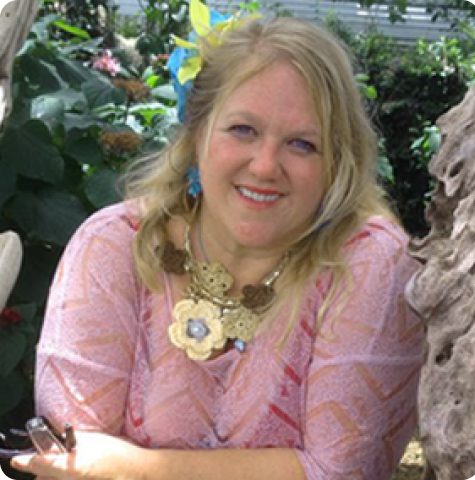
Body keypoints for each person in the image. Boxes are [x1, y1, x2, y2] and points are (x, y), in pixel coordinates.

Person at [11, 3, 424, 479]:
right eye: (243, 129)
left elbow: (341, 472)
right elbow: (72, 460)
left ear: (338, 161)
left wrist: (137, 469)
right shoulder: (115, 246)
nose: (266, 166)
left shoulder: (369, 265)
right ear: (196, 132)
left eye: (303, 144)